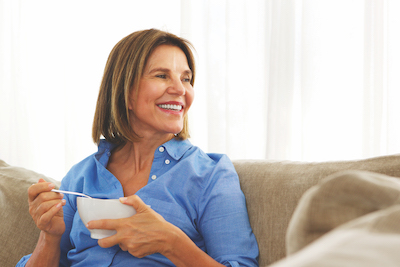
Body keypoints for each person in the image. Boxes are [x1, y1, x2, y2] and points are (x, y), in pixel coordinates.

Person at [18, 29, 259, 267]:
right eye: (162, 76)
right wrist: (48, 236)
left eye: (186, 78)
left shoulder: (210, 175)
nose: (180, 89)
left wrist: (170, 242)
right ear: (127, 92)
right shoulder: (81, 177)